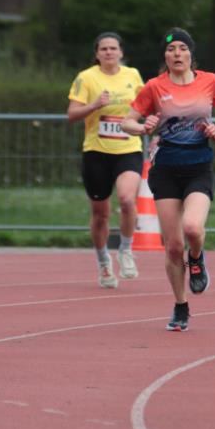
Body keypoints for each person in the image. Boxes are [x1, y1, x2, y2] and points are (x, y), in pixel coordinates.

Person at [121, 28, 215, 331]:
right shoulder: (154, 87)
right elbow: (127, 122)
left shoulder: (210, 81)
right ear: (165, 57)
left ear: (191, 55)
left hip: (198, 165)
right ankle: (181, 306)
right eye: (171, 50)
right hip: (166, 168)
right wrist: (144, 126)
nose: (177, 54)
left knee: (193, 228)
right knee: (172, 246)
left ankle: (196, 260)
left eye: (182, 48)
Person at [67, 32, 144, 288]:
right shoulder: (86, 78)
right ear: (97, 53)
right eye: (104, 49)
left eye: (113, 48)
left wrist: (152, 119)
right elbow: (72, 114)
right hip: (96, 153)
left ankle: (125, 249)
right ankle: (103, 261)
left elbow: (146, 104)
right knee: (101, 214)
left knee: (126, 199)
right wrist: (94, 106)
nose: (109, 52)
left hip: (128, 149)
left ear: (121, 52)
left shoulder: (132, 75)